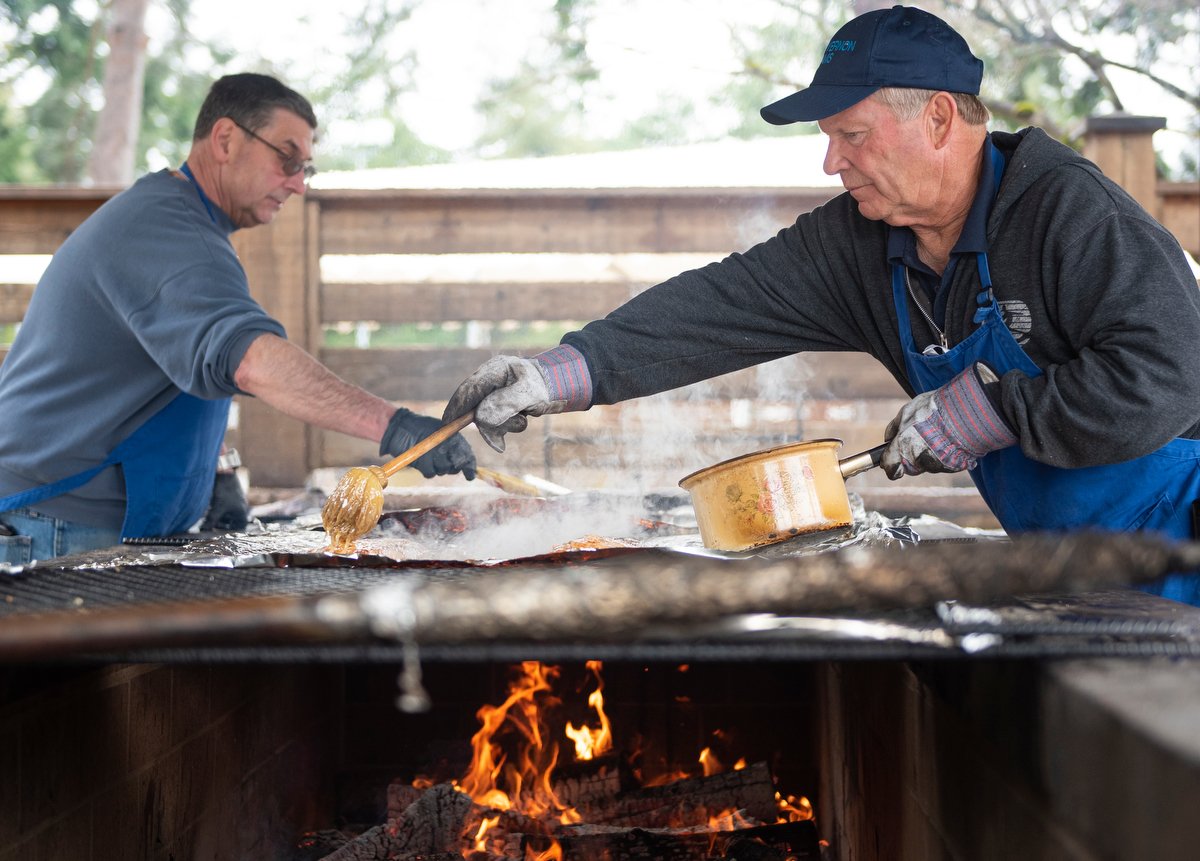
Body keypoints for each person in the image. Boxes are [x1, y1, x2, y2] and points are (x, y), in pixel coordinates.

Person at [442, 6, 1200, 604]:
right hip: (1070, 570)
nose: (831, 160)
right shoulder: (861, 242)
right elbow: (719, 304)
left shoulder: (1069, 212)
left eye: (852, 135)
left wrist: (997, 410)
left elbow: (1173, 373)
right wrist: (558, 375)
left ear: (939, 119)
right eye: (830, 138)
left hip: (1183, 550)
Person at [0, 73, 475, 563]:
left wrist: (218, 470)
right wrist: (397, 427)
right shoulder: (167, 231)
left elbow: (170, 373)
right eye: (287, 159)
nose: (297, 183)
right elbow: (251, 362)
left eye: (304, 168)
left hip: (83, 516)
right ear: (226, 139)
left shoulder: (186, 226)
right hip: (57, 521)